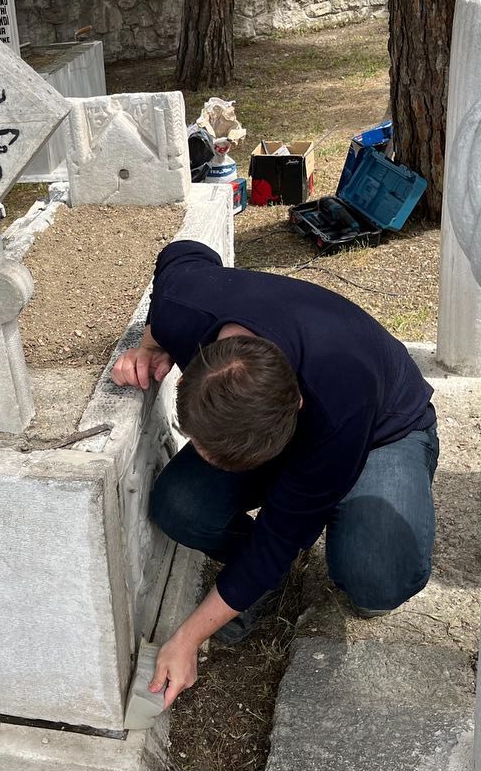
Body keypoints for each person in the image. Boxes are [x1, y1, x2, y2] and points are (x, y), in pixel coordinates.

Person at [111, 239, 439, 709]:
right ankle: (258, 577)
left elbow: (279, 535)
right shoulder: (182, 308)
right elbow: (181, 251)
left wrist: (185, 638)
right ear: (189, 379)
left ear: (298, 408)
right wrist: (151, 342)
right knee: (180, 507)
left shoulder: (341, 398)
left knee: (375, 581)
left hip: (383, 433)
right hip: (289, 427)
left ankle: (345, 519)